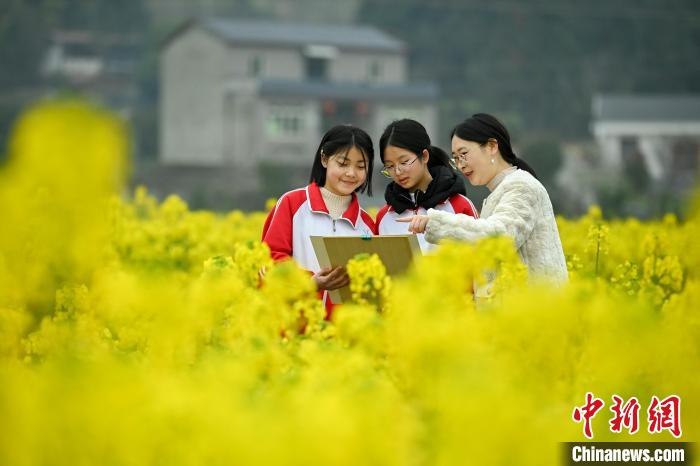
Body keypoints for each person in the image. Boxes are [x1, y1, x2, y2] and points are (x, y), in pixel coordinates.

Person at [398, 113, 568, 283]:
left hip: (536, 307)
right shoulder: (501, 191)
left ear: (492, 146)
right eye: (455, 158)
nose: (460, 164)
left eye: (463, 154)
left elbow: (499, 237)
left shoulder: (522, 186)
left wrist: (434, 223)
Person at [261, 124, 376, 314]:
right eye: (343, 164)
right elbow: (269, 260)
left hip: (343, 338)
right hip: (293, 332)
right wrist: (310, 283)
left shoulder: (367, 225)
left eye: (361, 166)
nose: (351, 173)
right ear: (324, 159)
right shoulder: (292, 204)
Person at [375, 119, 478, 252]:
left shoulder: (459, 205)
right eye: (390, 166)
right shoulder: (384, 217)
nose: (398, 171)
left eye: (404, 162)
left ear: (424, 156)